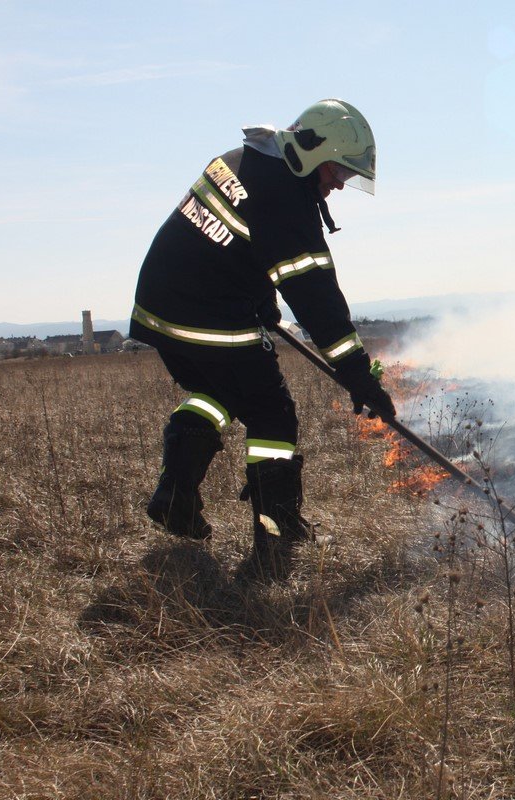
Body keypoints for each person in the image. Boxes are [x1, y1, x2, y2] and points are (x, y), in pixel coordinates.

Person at [129, 98, 396, 581]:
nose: (339, 184)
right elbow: (316, 299)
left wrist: (261, 300)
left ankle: (175, 495)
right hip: (206, 313)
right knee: (273, 413)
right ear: (311, 151)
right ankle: (277, 532)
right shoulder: (284, 197)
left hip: (161, 306)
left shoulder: (245, 160)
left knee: (217, 393)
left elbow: (234, 248)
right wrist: (358, 374)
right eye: (338, 170)